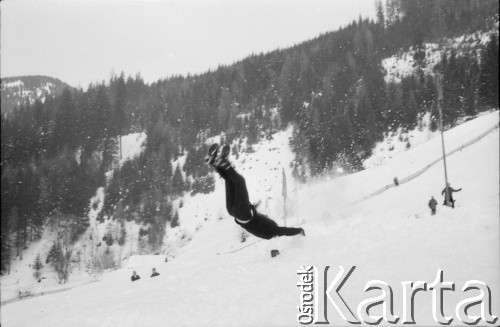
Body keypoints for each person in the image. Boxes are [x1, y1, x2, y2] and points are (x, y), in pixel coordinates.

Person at [205, 144, 305, 240]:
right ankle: (214, 162)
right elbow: (256, 221)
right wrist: (255, 207)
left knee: (240, 182)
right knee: (230, 181)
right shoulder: (266, 228)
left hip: (243, 213)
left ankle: (225, 164)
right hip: (234, 212)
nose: (267, 217)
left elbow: (282, 231)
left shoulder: (272, 233)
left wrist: (298, 231)